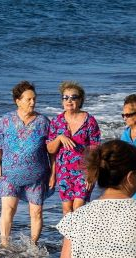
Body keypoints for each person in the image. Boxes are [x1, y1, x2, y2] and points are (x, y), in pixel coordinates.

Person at [0, 81, 51, 246]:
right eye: (28, 99)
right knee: (8, 210)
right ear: (18, 101)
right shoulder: (6, 120)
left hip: (37, 176)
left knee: (37, 212)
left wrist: (53, 172)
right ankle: (5, 245)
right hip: (10, 175)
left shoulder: (43, 121)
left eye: (34, 99)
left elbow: (51, 150)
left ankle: (33, 246)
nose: (33, 102)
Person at [47, 81, 102, 214]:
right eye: (65, 97)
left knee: (79, 206)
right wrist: (59, 138)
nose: (69, 100)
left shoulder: (89, 121)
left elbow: (95, 149)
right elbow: (50, 150)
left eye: (73, 97)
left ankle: (80, 235)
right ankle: (68, 235)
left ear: (81, 100)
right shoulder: (57, 122)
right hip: (64, 171)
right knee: (67, 208)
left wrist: (91, 173)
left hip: (84, 170)